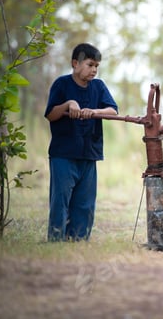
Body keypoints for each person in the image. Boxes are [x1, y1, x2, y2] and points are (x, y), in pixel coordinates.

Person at [44, 43, 118, 241]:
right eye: (90, 64)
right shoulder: (62, 84)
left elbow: (113, 111)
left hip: (89, 153)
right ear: (75, 63)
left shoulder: (99, 86)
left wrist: (93, 112)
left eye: (97, 66)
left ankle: (78, 241)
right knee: (61, 200)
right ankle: (57, 240)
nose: (94, 70)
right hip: (63, 154)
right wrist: (69, 104)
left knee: (85, 204)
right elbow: (51, 114)